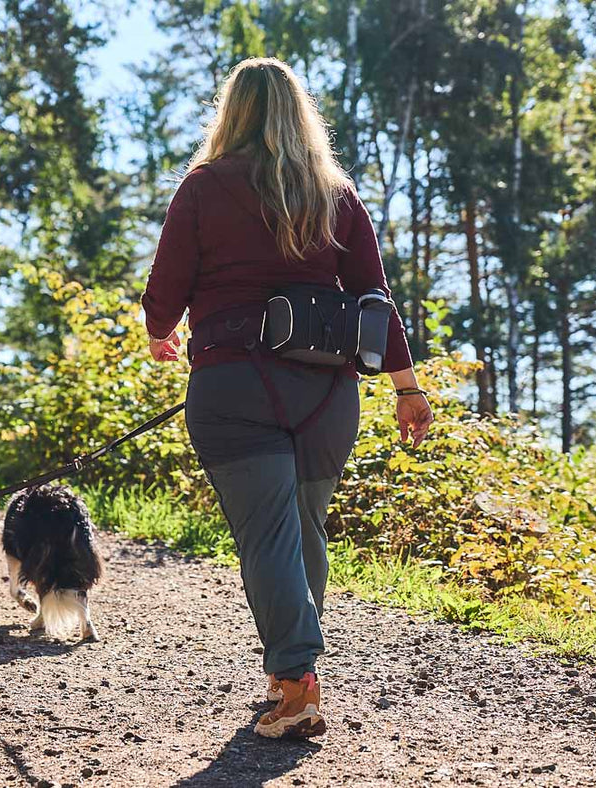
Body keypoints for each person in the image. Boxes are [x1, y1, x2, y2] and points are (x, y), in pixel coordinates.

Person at [141, 57, 434, 740]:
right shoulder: (333, 191)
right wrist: (406, 388)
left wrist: (161, 334)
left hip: (234, 386)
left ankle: (298, 682)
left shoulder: (204, 187)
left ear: (230, 111)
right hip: (327, 394)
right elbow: (374, 298)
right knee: (300, 529)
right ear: (299, 112)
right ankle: (288, 676)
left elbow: (164, 293)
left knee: (271, 534)